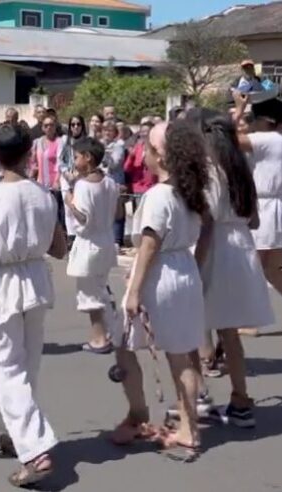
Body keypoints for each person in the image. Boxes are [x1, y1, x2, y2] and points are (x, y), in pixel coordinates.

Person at [0, 123, 66, 488]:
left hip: (3, 285)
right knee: (26, 366)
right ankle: (8, 431)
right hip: (36, 281)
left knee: (9, 369)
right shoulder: (44, 194)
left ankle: (36, 449)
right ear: (28, 155)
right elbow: (58, 248)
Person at [111, 121, 208, 461]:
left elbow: (149, 246)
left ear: (162, 156)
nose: (143, 155)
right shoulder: (191, 191)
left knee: (123, 344)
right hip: (185, 272)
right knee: (181, 354)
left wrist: (134, 290)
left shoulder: (157, 196)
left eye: (148, 150)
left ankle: (139, 414)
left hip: (162, 276)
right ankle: (189, 427)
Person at [190, 109, 275, 428]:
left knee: (197, 325)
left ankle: (200, 396)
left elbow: (208, 223)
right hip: (240, 248)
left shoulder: (210, 171)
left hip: (214, 248)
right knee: (230, 332)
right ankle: (241, 399)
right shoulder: (242, 170)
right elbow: (253, 219)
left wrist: (195, 265)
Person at [65, 138, 119, 354]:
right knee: (100, 287)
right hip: (106, 239)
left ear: (87, 158)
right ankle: (111, 330)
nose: (74, 161)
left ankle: (99, 337)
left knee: (90, 293)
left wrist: (69, 202)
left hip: (90, 244)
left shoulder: (83, 186)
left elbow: (83, 218)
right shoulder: (110, 182)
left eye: (76, 157)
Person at [232, 92, 282, 309]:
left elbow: (223, 137)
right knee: (272, 268)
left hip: (265, 209)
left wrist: (239, 109)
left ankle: (250, 318)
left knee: (253, 266)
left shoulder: (267, 139)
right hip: (272, 207)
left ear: (266, 121)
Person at [30, 115, 71, 230]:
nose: (49, 128)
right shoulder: (37, 142)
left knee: (57, 210)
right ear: (42, 128)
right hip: (41, 182)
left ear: (55, 127)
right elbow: (33, 161)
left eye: (51, 125)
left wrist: (57, 180)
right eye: (46, 125)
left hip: (55, 182)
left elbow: (61, 163)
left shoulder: (60, 142)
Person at [61, 115, 87, 245]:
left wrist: (78, 174)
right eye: (73, 124)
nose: (76, 127)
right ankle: (71, 236)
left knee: (79, 205)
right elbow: (61, 161)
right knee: (68, 207)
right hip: (67, 176)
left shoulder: (87, 141)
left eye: (78, 124)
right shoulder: (65, 141)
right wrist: (66, 173)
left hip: (81, 176)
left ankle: (79, 233)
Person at [101, 120, 127, 247]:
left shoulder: (119, 145)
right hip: (103, 182)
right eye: (105, 130)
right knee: (105, 210)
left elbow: (115, 163)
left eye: (109, 130)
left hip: (116, 181)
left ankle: (117, 239)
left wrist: (106, 154)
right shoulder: (100, 144)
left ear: (115, 133)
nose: (107, 133)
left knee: (117, 210)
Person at [124, 120, 157, 210]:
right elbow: (127, 168)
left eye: (147, 131)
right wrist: (131, 156)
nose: (144, 134)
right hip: (138, 188)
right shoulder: (137, 147)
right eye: (142, 132)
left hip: (153, 188)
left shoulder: (157, 148)